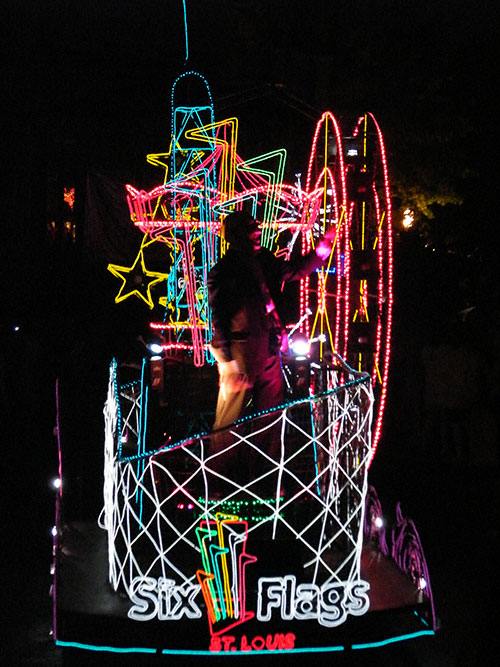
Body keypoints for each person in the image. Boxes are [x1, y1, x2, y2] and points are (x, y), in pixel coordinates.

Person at [207, 210, 334, 476]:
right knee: (231, 416)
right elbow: (217, 317)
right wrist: (227, 360)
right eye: (250, 229)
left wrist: (322, 249)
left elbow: (295, 271)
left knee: (271, 413)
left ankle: (265, 473)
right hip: (241, 350)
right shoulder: (224, 270)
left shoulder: (263, 260)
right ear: (237, 235)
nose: (257, 233)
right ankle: (219, 475)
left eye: (256, 228)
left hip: (267, 348)